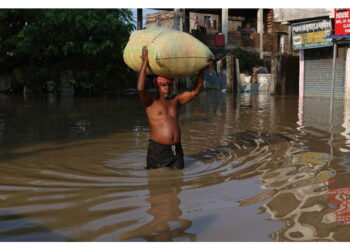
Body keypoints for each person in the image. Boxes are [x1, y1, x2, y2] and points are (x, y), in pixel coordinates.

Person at [137, 45, 210, 170]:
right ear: (157, 86)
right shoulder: (150, 103)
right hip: (158, 150)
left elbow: (195, 91)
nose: (167, 88)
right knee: (156, 185)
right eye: (163, 85)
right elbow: (140, 88)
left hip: (176, 150)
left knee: (177, 185)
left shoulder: (176, 101)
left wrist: (202, 70)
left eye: (169, 85)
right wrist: (144, 63)